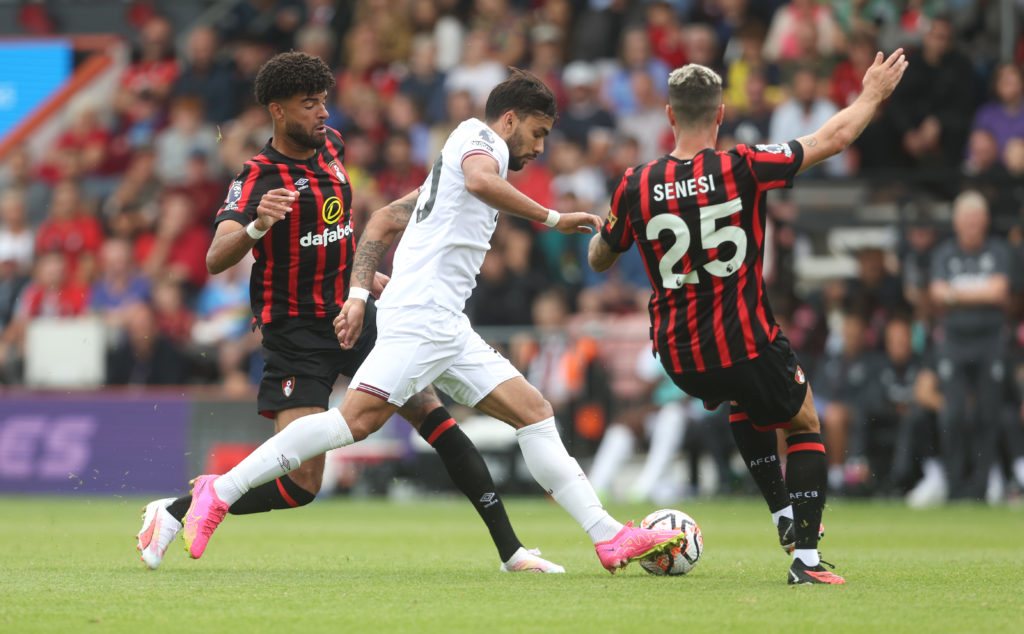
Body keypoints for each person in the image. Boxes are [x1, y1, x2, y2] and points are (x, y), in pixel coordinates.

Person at [181, 69, 686, 574]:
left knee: (534, 411)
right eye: (537, 133)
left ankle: (607, 536)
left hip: (444, 320)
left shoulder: (461, 154)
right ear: (509, 121)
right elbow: (481, 180)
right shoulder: (479, 140)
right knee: (352, 423)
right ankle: (219, 490)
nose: (539, 148)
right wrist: (555, 218)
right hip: (422, 315)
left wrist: (359, 292)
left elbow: (390, 217)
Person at [136, 53, 564, 575]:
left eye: (324, 101)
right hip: (294, 333)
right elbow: (214, 255)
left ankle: (511, 551)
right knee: (301, 484)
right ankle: (177, 512)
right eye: (308, 104)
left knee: (437, 420)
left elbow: (338, 233)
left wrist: (367, 281)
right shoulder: (257, 176)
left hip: (355, 313)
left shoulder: (333, 147)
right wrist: (255, 227)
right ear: (277, 111)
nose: (322, 113)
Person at [587, 51, 909, 584]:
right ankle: (805, 560)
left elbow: (602, 257)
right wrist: (871, 94)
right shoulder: (742, 164)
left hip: (678, 355)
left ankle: (782, 512)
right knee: (803, 421)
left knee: (743, 398)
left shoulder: (634, 184)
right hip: (745, 339)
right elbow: (830, 140)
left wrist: (605, 230)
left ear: (669, 115)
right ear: (719, 116)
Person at [924, 190, 1011, 503]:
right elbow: (935, 293)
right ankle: (954, 484)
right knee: (953, 415)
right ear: (957, 223)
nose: (973, 225)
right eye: (967, 219)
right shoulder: (945, 253)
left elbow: (1000, 291)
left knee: (988, 415)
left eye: (977, 219)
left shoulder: (998, 251)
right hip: (955, 342)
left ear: (985, 222)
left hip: (990, 341)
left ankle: (982, 486)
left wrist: (955, 293)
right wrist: (979, 291)